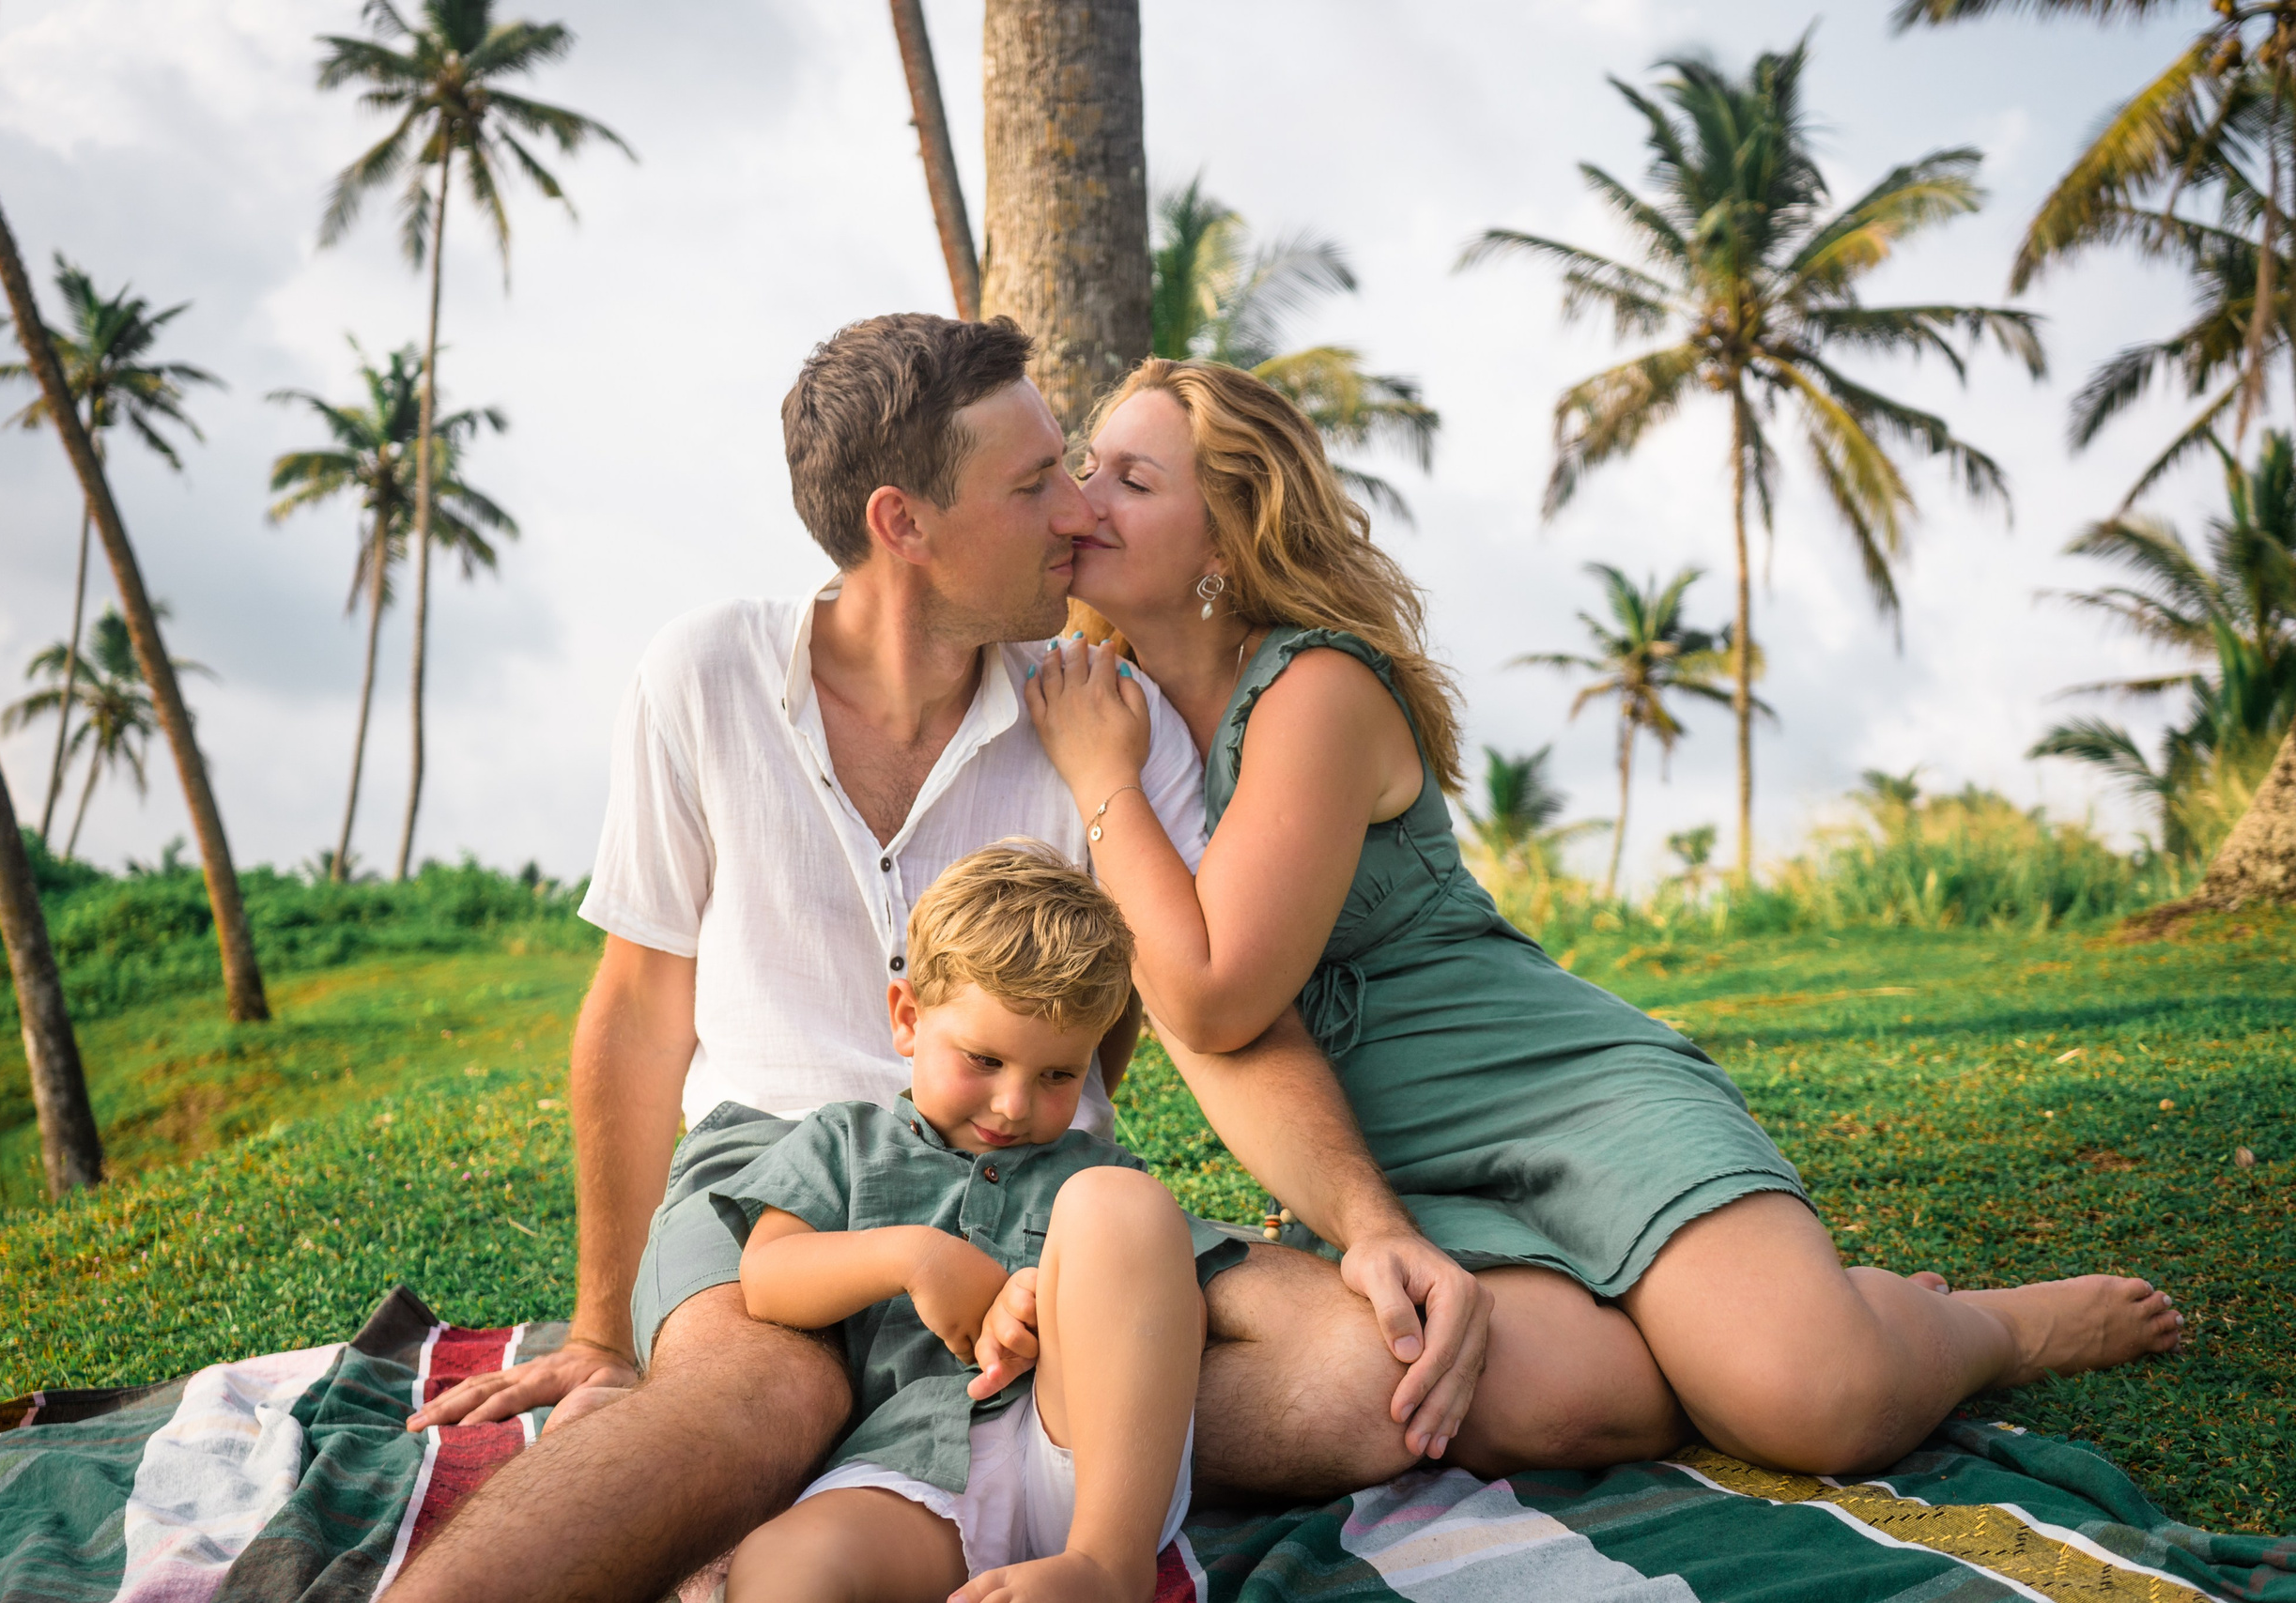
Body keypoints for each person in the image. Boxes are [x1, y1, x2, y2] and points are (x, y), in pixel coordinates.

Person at [386, 316, 1680, 1603]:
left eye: (1078, 467)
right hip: (781, 1182)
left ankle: (968, 1464)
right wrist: (607, 1331)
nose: (1074, 509)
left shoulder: (1094, 716)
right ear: (903, 523)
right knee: (761, 1394)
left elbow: (1211, 1019)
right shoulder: (703, 672)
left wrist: (1371, 1223)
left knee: (1363, 1379)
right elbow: (636, 1012)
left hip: (1048, 1191)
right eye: (1033, 484)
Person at [1024, 356, 2187, 1479]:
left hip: (1557, 1087)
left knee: (1806, 1402)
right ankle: (1772, 1316)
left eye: (1135, 480)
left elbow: (1218, 993)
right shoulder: (1106, 704)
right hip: (1393, 1166)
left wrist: (1105, 785)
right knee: (1545, 1402)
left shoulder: (1309, 689)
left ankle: (1977, 1329)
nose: (1085, 499)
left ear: (1228, 539)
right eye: (1089, 465)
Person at [724, 842, 1225, 1603]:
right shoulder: (847, 1142)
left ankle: (1106, 1570)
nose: (1015, 1105)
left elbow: (1175, 1316)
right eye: (984, 1059)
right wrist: (916, 1257)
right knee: (782, 1565)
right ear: (907, 1018)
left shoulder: (1092, 1172)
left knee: (1114, 1202)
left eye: (1059, 1074)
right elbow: (767, 1277)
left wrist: (1053, 1309)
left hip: (1082, 1463)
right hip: (907, 1469)